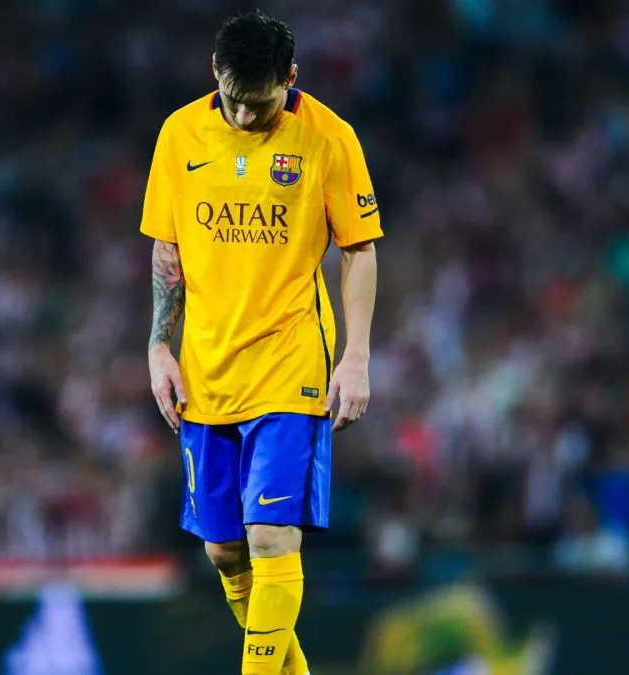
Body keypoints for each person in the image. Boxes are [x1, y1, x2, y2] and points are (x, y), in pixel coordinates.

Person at [140, 10, 381, 675]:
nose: (246, 118)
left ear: (291, 80)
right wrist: (160, 345)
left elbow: (359, 251)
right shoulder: (180, 133)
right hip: (208, 366)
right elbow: (169, 245)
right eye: (235, 101)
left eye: (262, 103)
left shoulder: (328, 137)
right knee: (224, 551)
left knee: (273, 535)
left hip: (289, 357)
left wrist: (356, 356)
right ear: (213, 74)